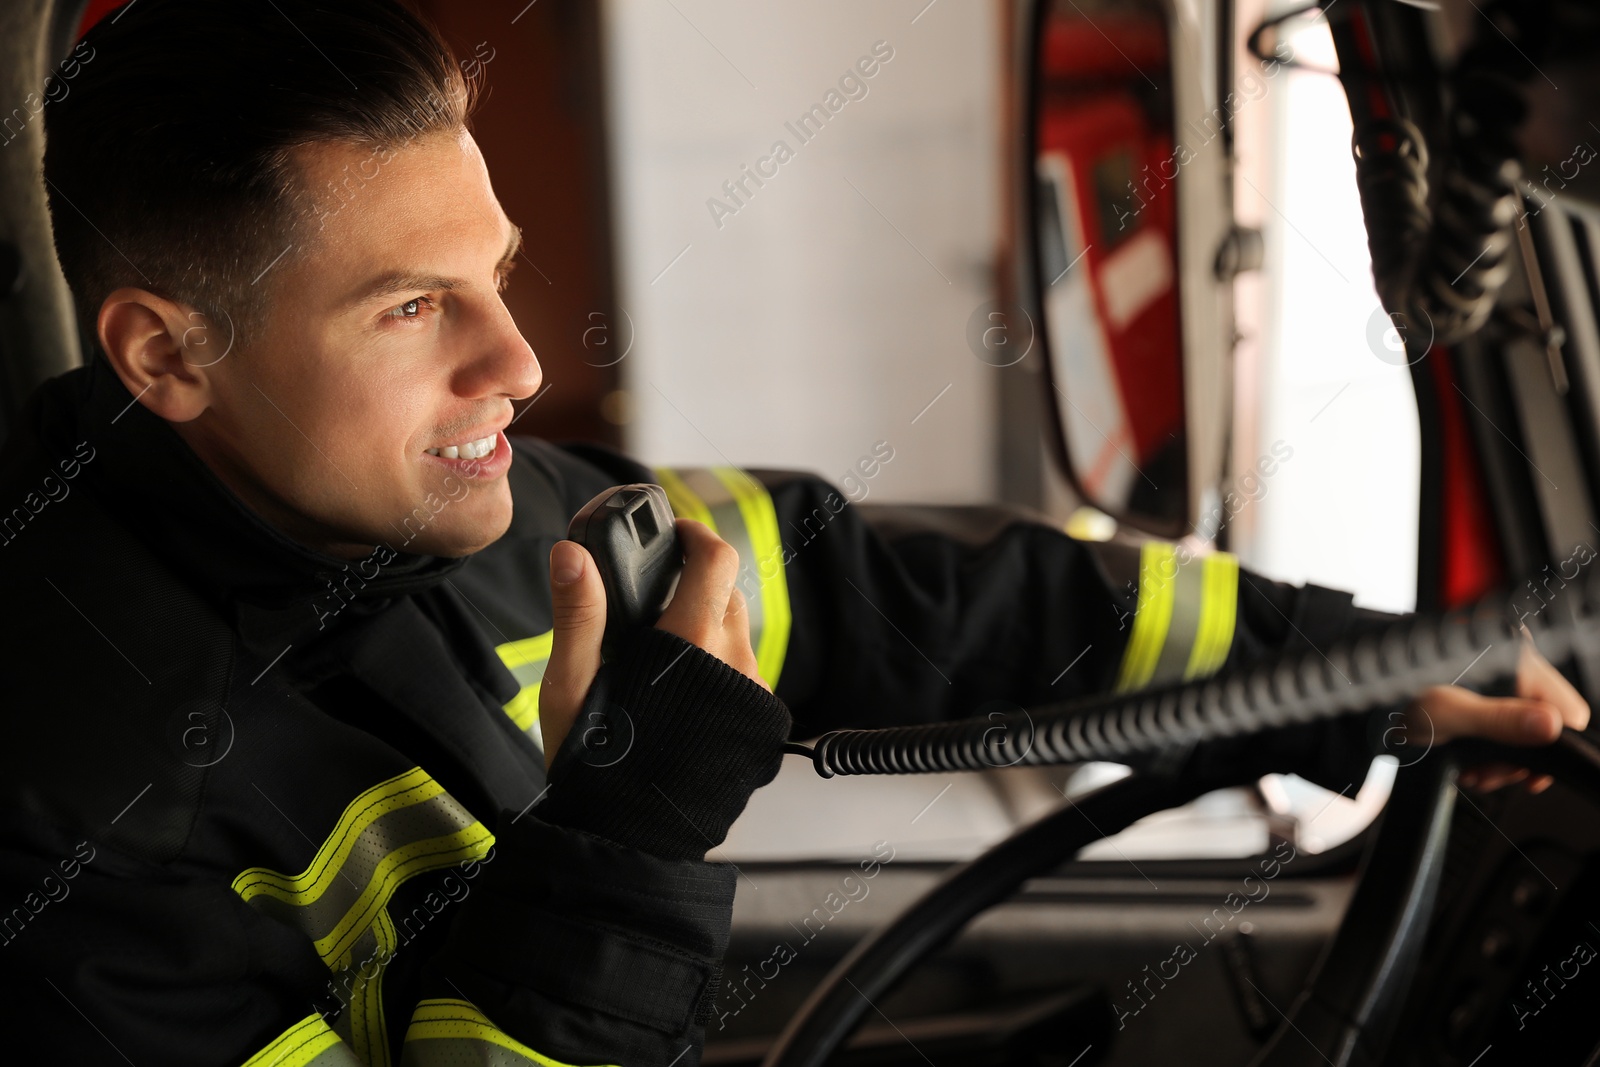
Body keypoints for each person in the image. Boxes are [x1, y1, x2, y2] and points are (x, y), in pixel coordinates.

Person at [0, 1, 1586, 1064]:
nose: (520, 365)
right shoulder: (62, 812)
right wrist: (628, 840)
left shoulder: (479, 511)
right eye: (413, 308)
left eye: (495, 273)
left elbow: (875, 589)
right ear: (166, 356)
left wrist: (1342, 669)